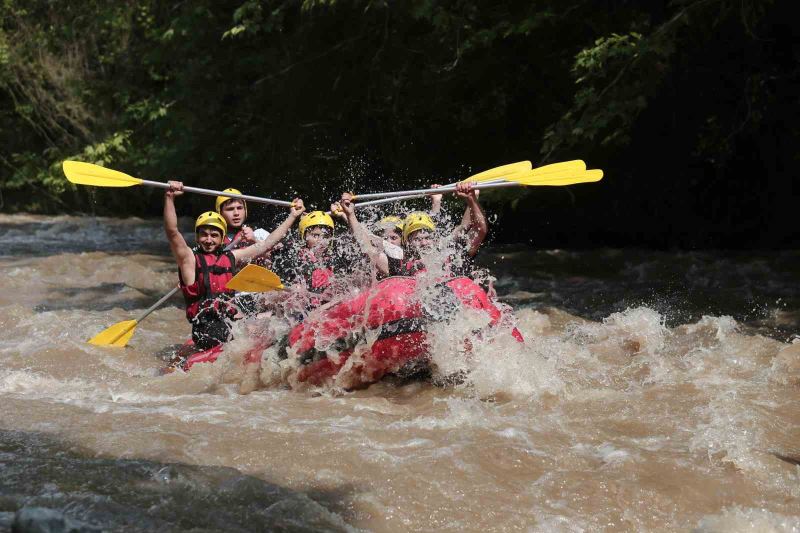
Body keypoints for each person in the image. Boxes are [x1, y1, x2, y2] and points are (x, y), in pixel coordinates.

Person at [163, 180, 304, 349]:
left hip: (230, 323)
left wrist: (292, 217)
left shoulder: (231, 257)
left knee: (271, 327)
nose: (209, 240)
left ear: (221, 238)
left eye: (214, 235)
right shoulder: (189, 260)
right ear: (197, 237)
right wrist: (169, 198)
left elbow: (265, 245)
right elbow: (172, 232)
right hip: (207, 330)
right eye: (204, 235)